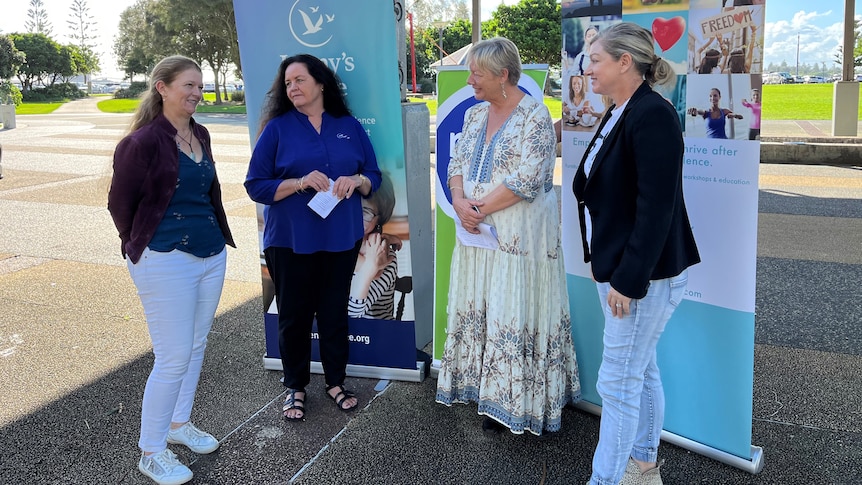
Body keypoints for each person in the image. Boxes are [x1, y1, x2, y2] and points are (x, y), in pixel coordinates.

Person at [574, 23, 701, 485]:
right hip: (621, 269)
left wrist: (628, 280)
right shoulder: (620, 110)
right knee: (640, 372)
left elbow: (656, 210)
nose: (589, 68)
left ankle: (606, 480)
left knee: (618, 385)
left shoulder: (654, 115)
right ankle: (643, 465)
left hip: (643, 278)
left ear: (625, 62)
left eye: (597, 60)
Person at [435, 37, 580, 436]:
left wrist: (476, 210)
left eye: (476, 73)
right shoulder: (474, 115)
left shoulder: (535, 115)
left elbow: (529, 179)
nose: (469, 80)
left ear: (503, 75)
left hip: (520, 237)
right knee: (481, 304)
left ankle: (513, 402)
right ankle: (485, 390)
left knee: (512, 308)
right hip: (478, 235)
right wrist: (460, 201)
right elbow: (456, 162)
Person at [108, 55, 235, 485]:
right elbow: (119, 205)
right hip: (165, 259)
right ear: (161, 87)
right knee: (173, 356)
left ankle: (179, 426)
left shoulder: (200, 133)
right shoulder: (141, 143)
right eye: (188, 85)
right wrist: (139, 246)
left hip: (211, 254)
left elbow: (207, 192)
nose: (197, 93)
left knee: (195, 345)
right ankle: (151, 450)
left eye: (200, 86)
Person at [244, 54, 382, 422]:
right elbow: (255, 185)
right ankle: (295, 387)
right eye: (287, 83)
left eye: (300, 80)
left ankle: (336, 381)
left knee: (335, 313)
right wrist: (299, 182)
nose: (292, 88)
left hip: (341, 238)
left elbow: (373, 175)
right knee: (294, 316)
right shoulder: (277, 129)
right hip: (290, 240)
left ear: (321, 83)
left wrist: (358, 181)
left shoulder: (348, 126)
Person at [348, 173, 399, 320]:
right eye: (351, 207)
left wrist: (371, 266)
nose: (355, 217)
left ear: (379, 219)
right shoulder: (335, 244)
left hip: (376, 336)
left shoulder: (385, 255)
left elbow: (352, 314)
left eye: (365, 212)